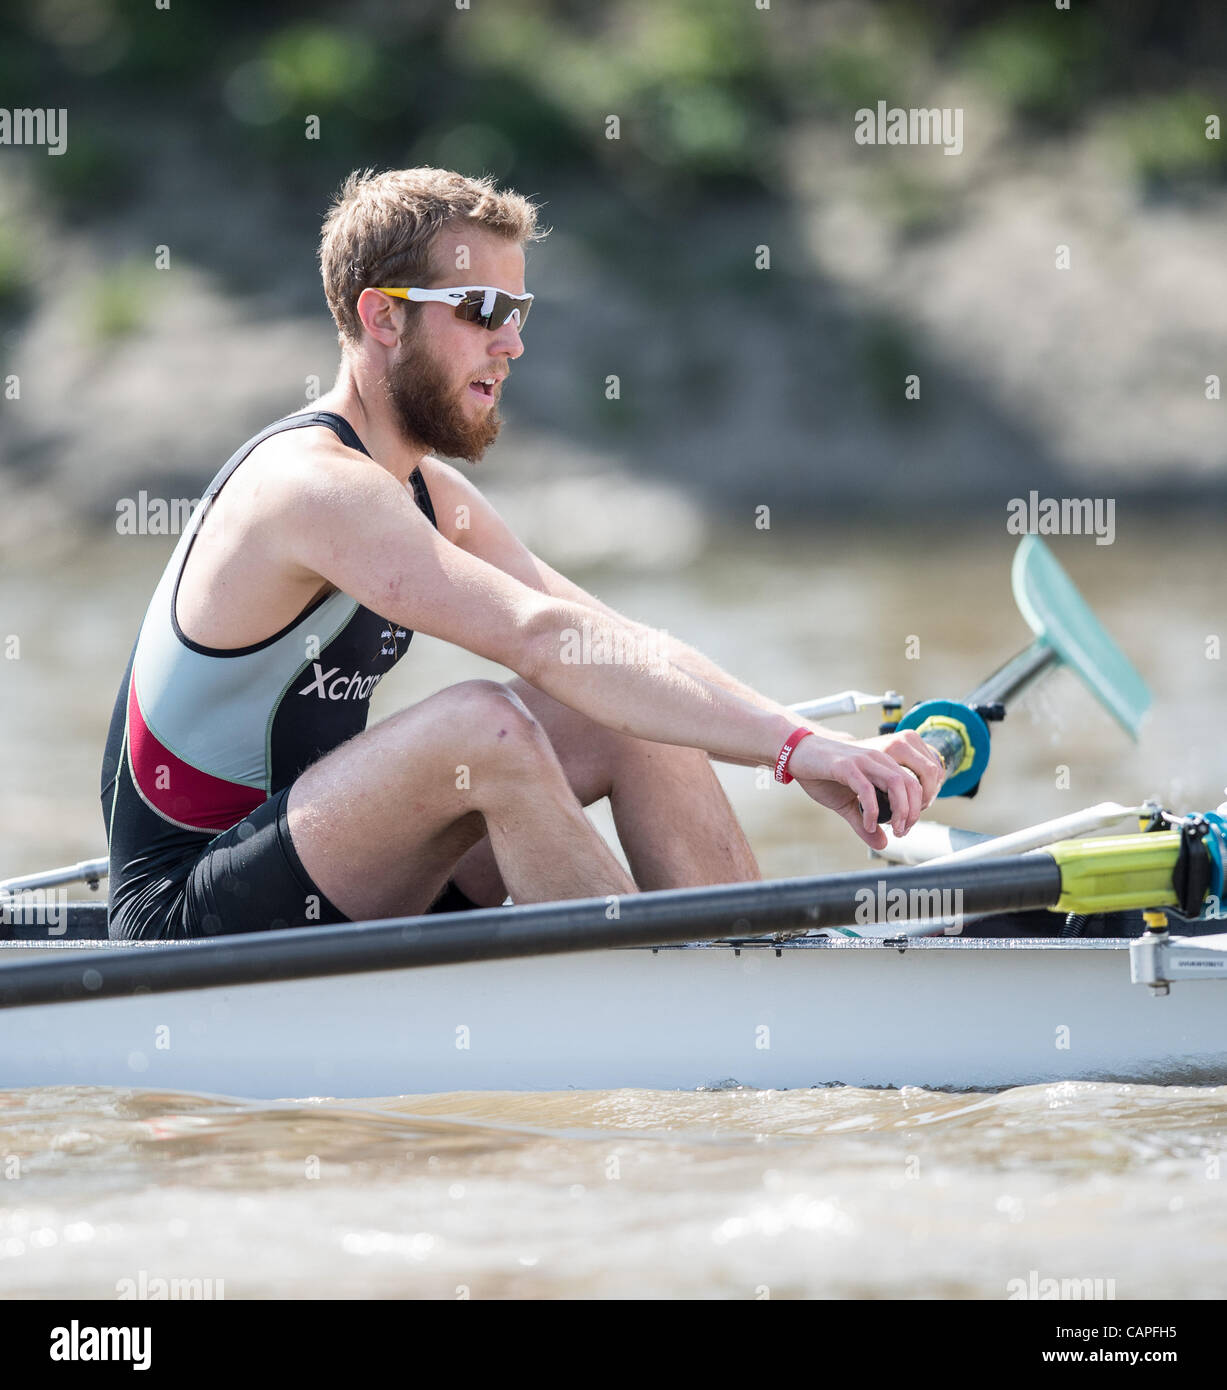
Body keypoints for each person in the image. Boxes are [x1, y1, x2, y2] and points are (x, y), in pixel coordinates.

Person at [100, 166, 943, 940]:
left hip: (326, 870)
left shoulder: (426, 492)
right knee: (483, 725)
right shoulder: (308, 484)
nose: (512, 344)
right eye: (482, 310)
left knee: (630, 700)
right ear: (382, 315)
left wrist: (803, 744)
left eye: (519, 312)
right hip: (186, 914)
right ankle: (670, 1017)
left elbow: (607, 640)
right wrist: (793, 749)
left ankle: (762, 974)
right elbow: (536, 637)